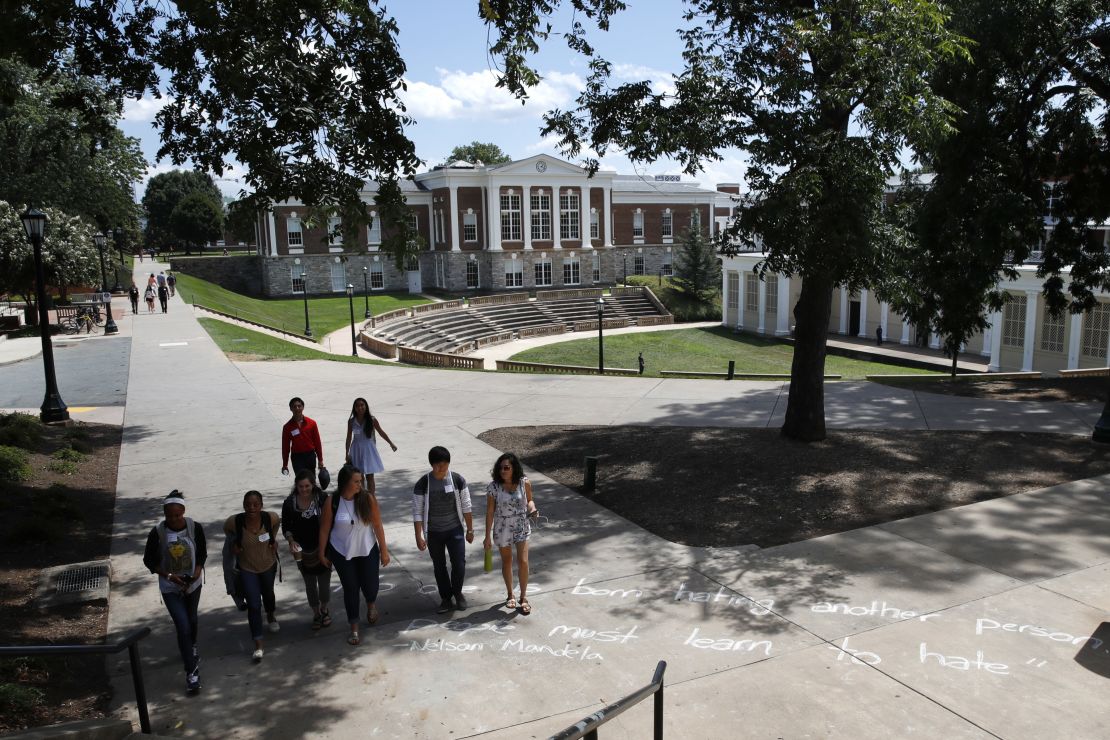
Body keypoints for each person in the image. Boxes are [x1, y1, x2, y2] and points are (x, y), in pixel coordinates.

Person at [319, 465, 390, 646]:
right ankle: (354, 627)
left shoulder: (367, 499)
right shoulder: (332, 501)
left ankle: (371, 604)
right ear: (345, 482)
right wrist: (321, 552)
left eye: (361, 481)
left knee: (371, 584)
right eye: (356, 482)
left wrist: (384, 550)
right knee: (350, 588)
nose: (360, 485)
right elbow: (325, 529)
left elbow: (377, 526)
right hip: (342, 551)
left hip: (366, 548)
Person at [143, 490, 205, 694]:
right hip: (171, 587)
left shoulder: (194, 528)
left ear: (183, 512)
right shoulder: (157, 533)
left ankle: (191, 646)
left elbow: (202, 552)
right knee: (183, 625)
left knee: (192, 620)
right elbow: (149, 561)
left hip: (192, 585)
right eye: (169, 516)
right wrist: (169, 576)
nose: (174, 519)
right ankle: (191, 673)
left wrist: (196, 573)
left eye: (177, 515)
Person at [412, 446, 474, 614]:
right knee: (439, 566)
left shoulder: (457, 480)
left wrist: (470, 529)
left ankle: (458, 593)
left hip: (455, 530)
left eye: (445, 465)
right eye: (438, 466)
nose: (442, 469)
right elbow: (417, 512)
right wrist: (419, 535)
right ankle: (446, 598)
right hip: (433, 533)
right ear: (432, 465)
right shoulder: (423, 483)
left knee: (459, 563)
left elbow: (466, 506)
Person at [224, 491, 281, 662]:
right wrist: (234, 544)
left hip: (268, 565)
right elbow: (227, 530)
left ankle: (271, 614)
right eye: (248, 504)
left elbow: (277, 524)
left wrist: (273, 540)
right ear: (243, 505)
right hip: (247, 568)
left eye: (256, 504)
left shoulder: (269, 518)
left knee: (268, 594)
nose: (252, 508)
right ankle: (258, 643)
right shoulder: (235, 521)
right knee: (254, 605)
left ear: (261, 505)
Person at [483, 452, 537, 615]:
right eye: (500, 468)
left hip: (521, 525)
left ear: (514, 468)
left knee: (523, 561)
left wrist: (532, 508)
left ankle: (523, 596)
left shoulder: (524, 482)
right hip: (502, 526)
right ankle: (510, 595)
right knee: (507, 561)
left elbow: (529, 500)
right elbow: (490, 511)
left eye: (506, 468)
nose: (503, 471)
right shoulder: (494, 487)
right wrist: (487, 536)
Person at [280, 470, 333, 630]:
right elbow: (286, 526)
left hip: (323, 548)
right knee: (310, 584)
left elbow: (331, 521)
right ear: (296, 486)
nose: (304, 489)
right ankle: (316, 613)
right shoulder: (289, 503)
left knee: (324, 585)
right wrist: (291, 541)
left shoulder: (323, 499)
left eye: (307, 486)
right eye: (301, 486)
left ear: (313, 485)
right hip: (302, 551)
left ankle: (324, 609)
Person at [345, 397, 397, 494]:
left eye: (362, 405)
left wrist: (391, 443)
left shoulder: (372, 419)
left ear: (366, 406)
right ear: (354, 408)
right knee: (359, 476)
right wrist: (347, 453)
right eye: (357, 406)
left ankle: (371, 498)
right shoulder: (351, 422)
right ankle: (362, 498)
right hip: (356, 450)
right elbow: (348, 437)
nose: (360, 408)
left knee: (370, 476)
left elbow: (381, 432)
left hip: (368, 450)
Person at [281, 397, 325, 486]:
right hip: (297, 458)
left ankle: (313, 498)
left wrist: (320, 460)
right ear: (290, 409)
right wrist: (285, 464)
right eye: (294, 407)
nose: (297, 408)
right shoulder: (287, 427)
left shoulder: (312, 423)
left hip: (310, 456)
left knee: (311, 479)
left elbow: (317, 442)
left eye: (299, 406)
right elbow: (285, 447)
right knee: (300, 480)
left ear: (303, 407)